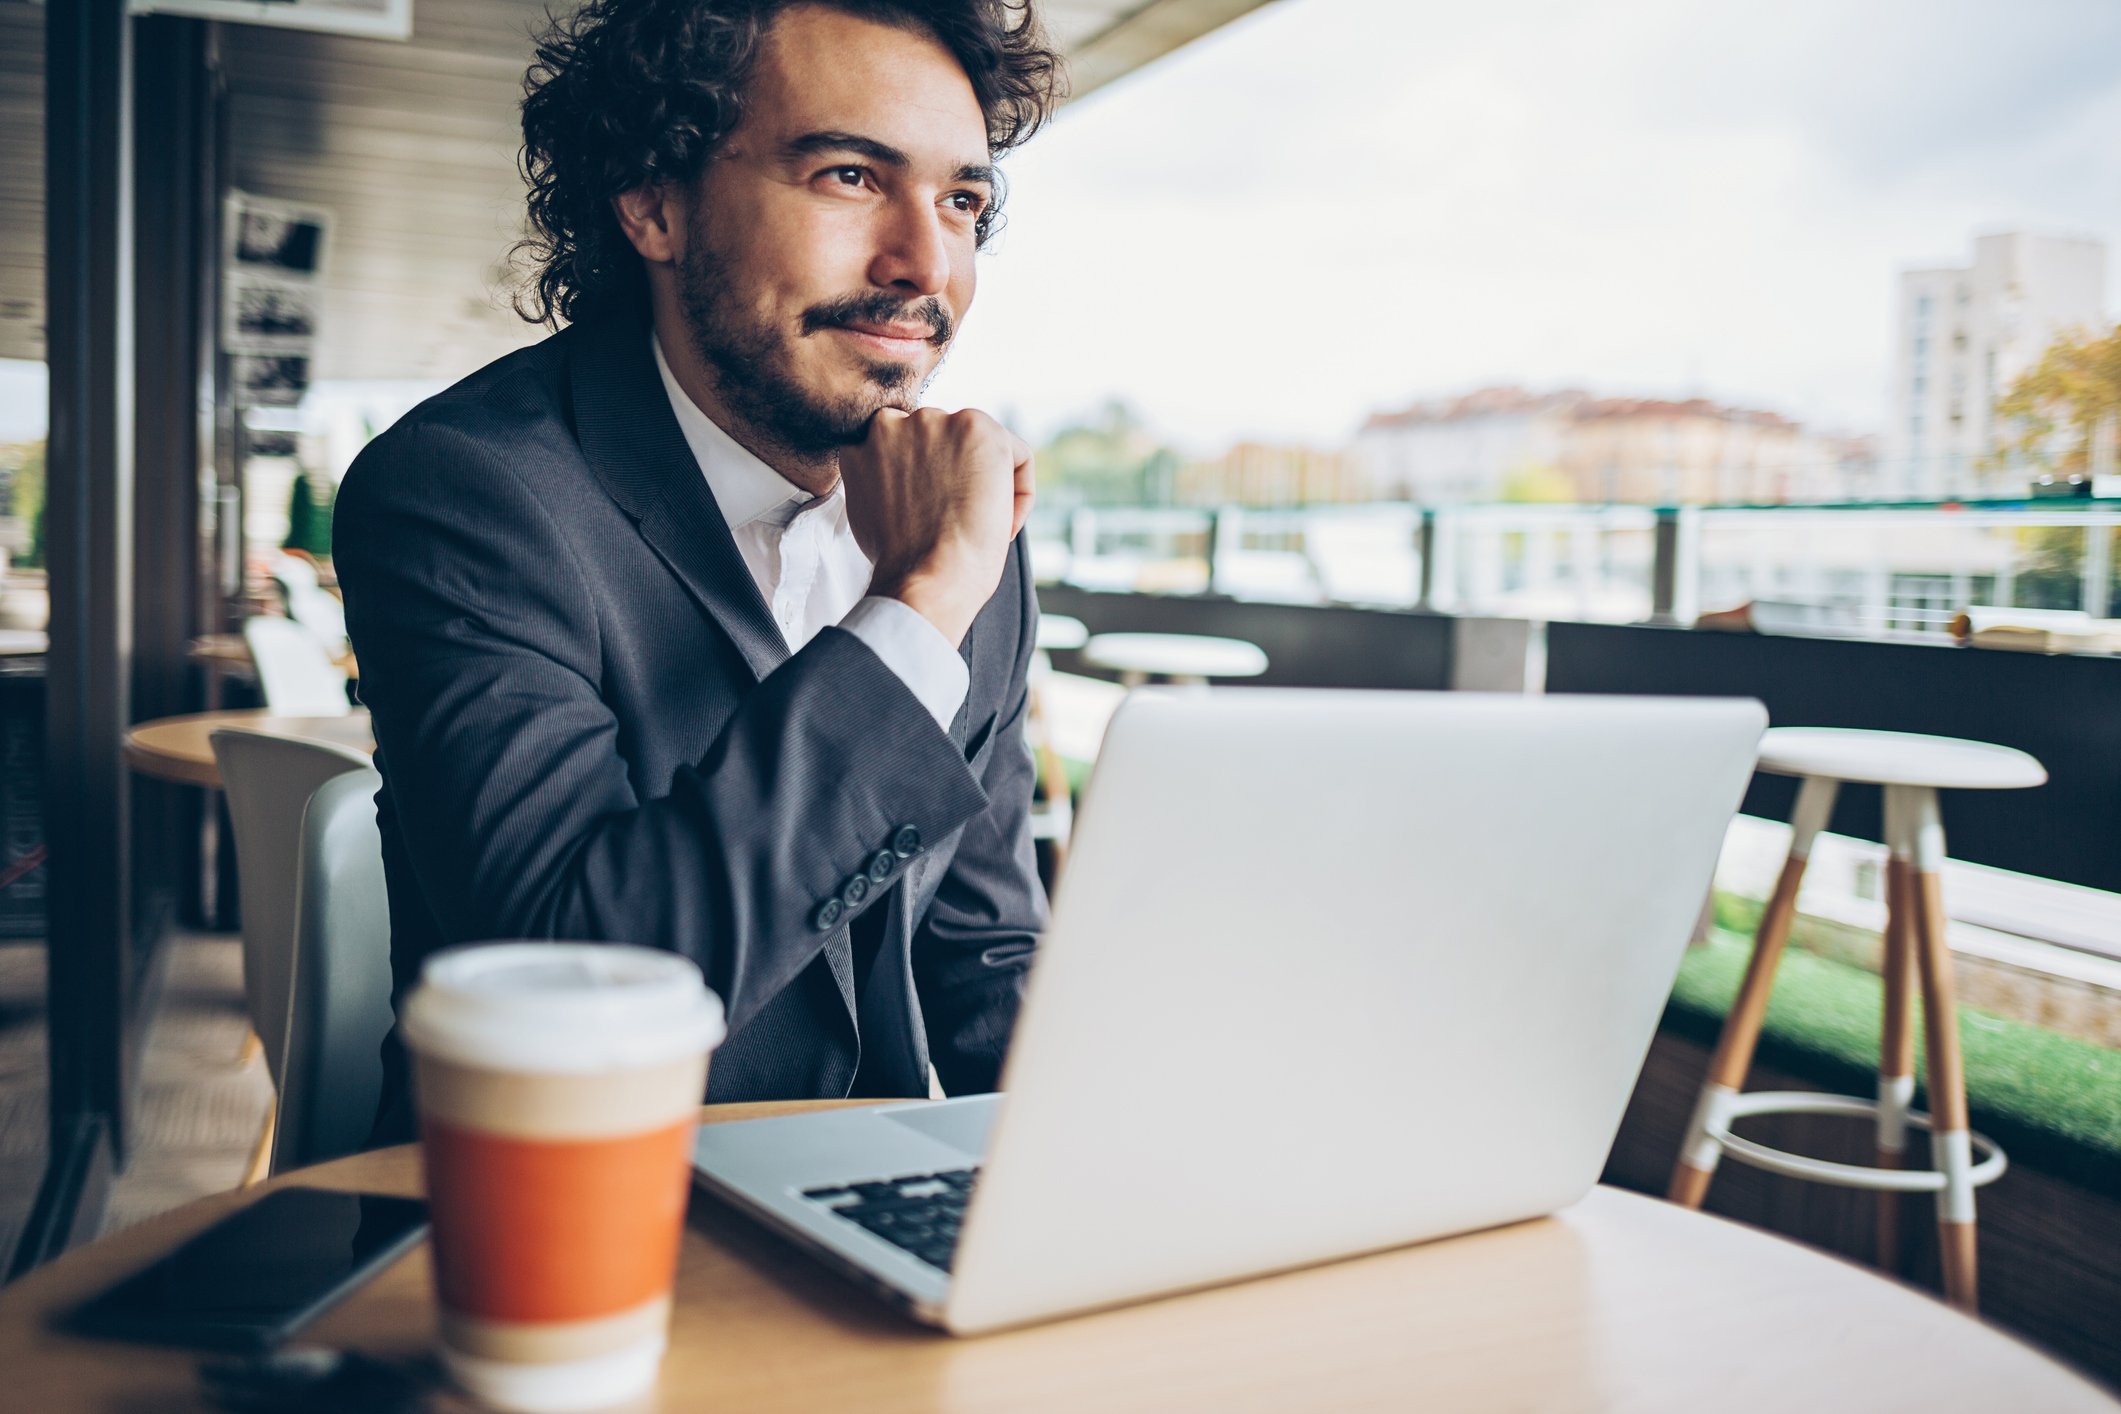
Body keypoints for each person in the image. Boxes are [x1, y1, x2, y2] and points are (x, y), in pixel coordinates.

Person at [335, 0, 1064, 1142]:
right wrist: (914, 609)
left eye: (961, 200)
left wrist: (1093, 1184)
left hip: (863, 1218)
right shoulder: (461, 494)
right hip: (560, 1235)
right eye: (849, 177)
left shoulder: (967, 540)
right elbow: (580, 989)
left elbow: (983, 951)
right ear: (653, 201)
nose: (927, 264)